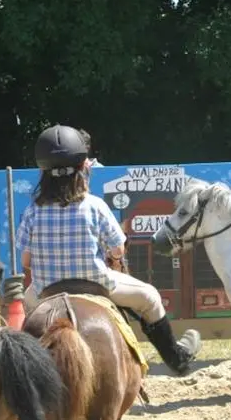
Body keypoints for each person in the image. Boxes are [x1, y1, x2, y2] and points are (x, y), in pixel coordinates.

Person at [17, 124, 201, 375]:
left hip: (46, 291)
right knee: (150, 297)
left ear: (43, 173)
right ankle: (177, 361)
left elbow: (26, 261)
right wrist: (112, 254)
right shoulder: (94, 206)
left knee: (29, 310)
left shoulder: (31, 211)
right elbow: (117, 250)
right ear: (83, 167)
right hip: (96, 284)